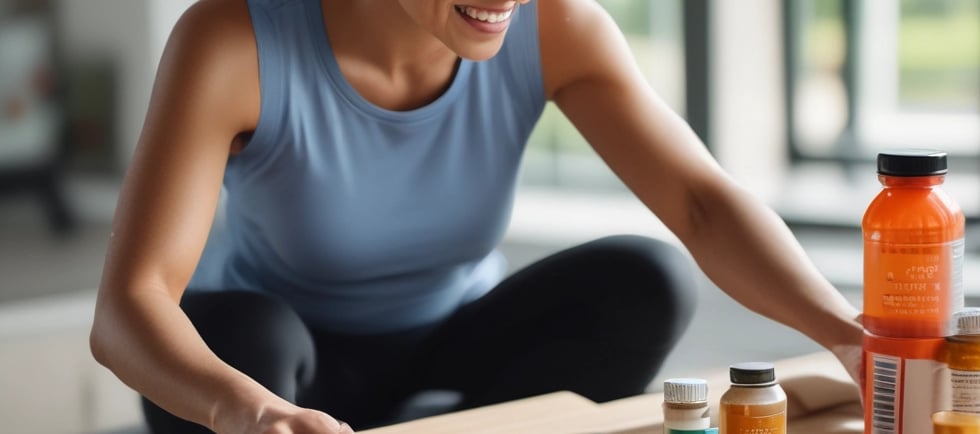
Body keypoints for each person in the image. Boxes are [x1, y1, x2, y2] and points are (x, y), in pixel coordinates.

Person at [88, 0, 863, 433]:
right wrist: (248, 411)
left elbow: (699, 205)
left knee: (646, 278)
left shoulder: (556, 26)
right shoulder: (232, 40)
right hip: (275, 372)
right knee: (246, 334)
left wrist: (847, 334)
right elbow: (130, 308)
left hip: (456, 346)